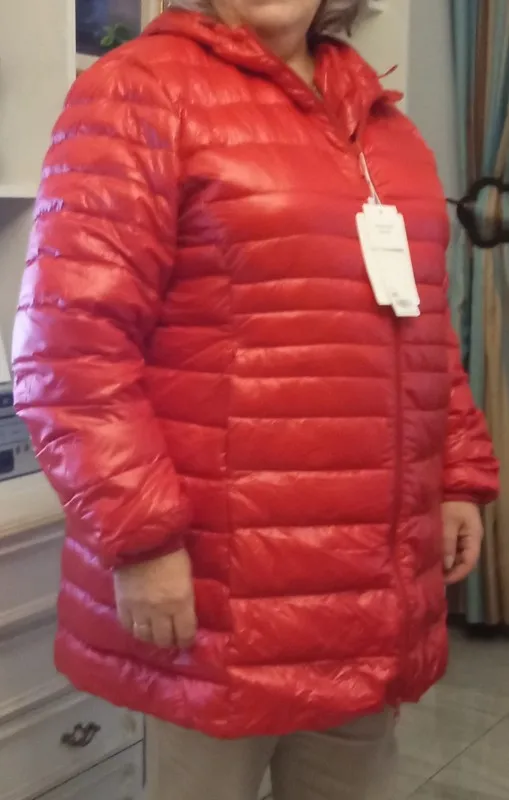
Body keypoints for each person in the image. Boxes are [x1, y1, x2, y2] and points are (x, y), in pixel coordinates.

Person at [12, 1, 499, 798]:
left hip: (364, 587)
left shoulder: (382, 125)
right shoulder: (137, 91)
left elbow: (421, 327)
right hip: (216, 590)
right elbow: (72, 345)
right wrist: (141, 541)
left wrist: (457, 475)